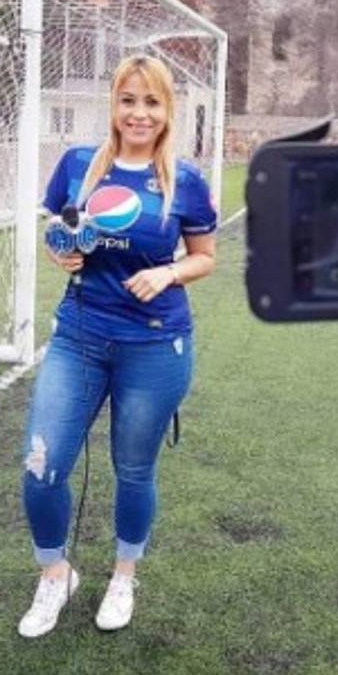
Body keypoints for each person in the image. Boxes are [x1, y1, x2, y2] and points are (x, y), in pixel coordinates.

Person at [18, 55, 217, 638]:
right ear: (113, 105)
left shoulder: (185, 181)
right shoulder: (79, 166)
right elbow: (58, 231)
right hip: (78, 338)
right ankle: (55, 575)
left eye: (151, 102)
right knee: (41, 466)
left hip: (154, 344)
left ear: (167, 111)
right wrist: (62, 253)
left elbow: (205, 258)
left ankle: (124, 575)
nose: (139, 113)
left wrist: (169, 272)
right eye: (128, 100)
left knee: (133, 469)